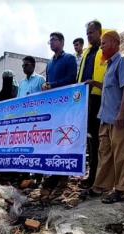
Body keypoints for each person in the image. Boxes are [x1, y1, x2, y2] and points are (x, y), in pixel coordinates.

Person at [82, 31, 124, 204]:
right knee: (104, 153)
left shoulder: (123, 61)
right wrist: (93, 83)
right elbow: (108, 87)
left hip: (119, 118)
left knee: (121, 154)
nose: (102, 47)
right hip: (105, 117)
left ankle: (120, 190)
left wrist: (121, 113)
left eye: (104, 43)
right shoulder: (109, 65)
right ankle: (101, 187)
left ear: (114, 42)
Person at [43, 31, 77, 197]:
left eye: (54, 40)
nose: (51, 43)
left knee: (65, 139)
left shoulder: (69, 59)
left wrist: (53, 85)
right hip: (53, 109)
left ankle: (63, 177)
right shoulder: (49, 63)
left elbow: (72, 79)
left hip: (66, 107)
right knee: (53, 140)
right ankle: (54, 172)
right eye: (49, 41)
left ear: (62, 42)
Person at [77, 20, 108, 189]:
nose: (89, 36)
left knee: (98, 140)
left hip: (100, 98)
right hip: (85, 100)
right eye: (87, 33)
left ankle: (98, 177)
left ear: (99, 32)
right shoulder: (87, 53)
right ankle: (91, 175)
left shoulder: (104, 51)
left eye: (91, 32)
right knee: (90, 139)